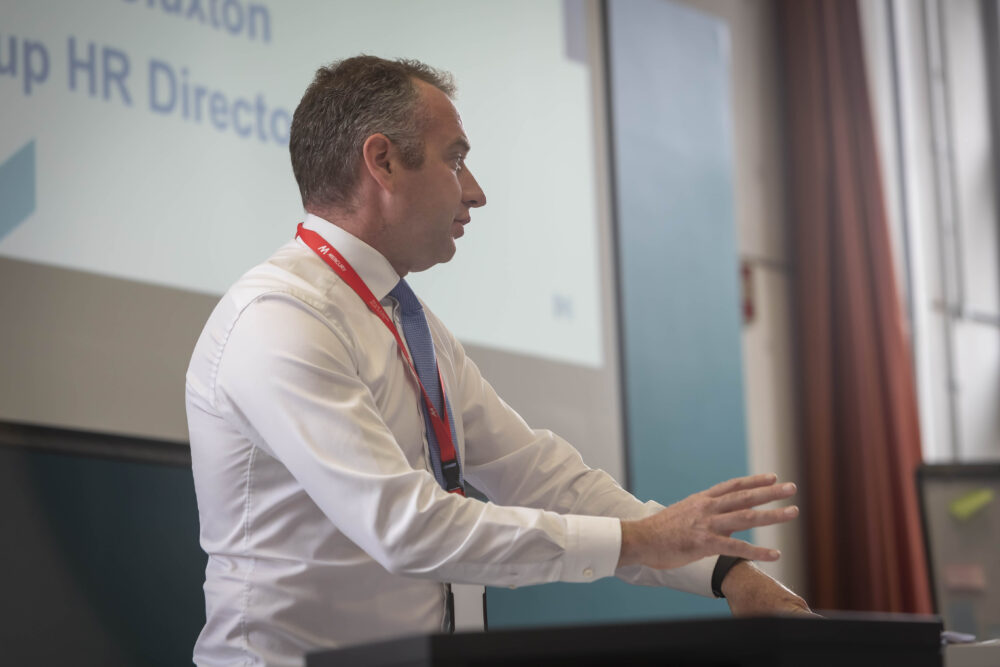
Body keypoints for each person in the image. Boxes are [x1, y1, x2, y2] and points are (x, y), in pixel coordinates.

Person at [185, 55, 811, 667]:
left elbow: (542, 475)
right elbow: (406, 528)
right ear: (382, 162)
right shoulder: (279, 318)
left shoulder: (405, 319)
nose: (476, 192)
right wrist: (639, 540)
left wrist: (727, 573)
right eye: (454, 159)